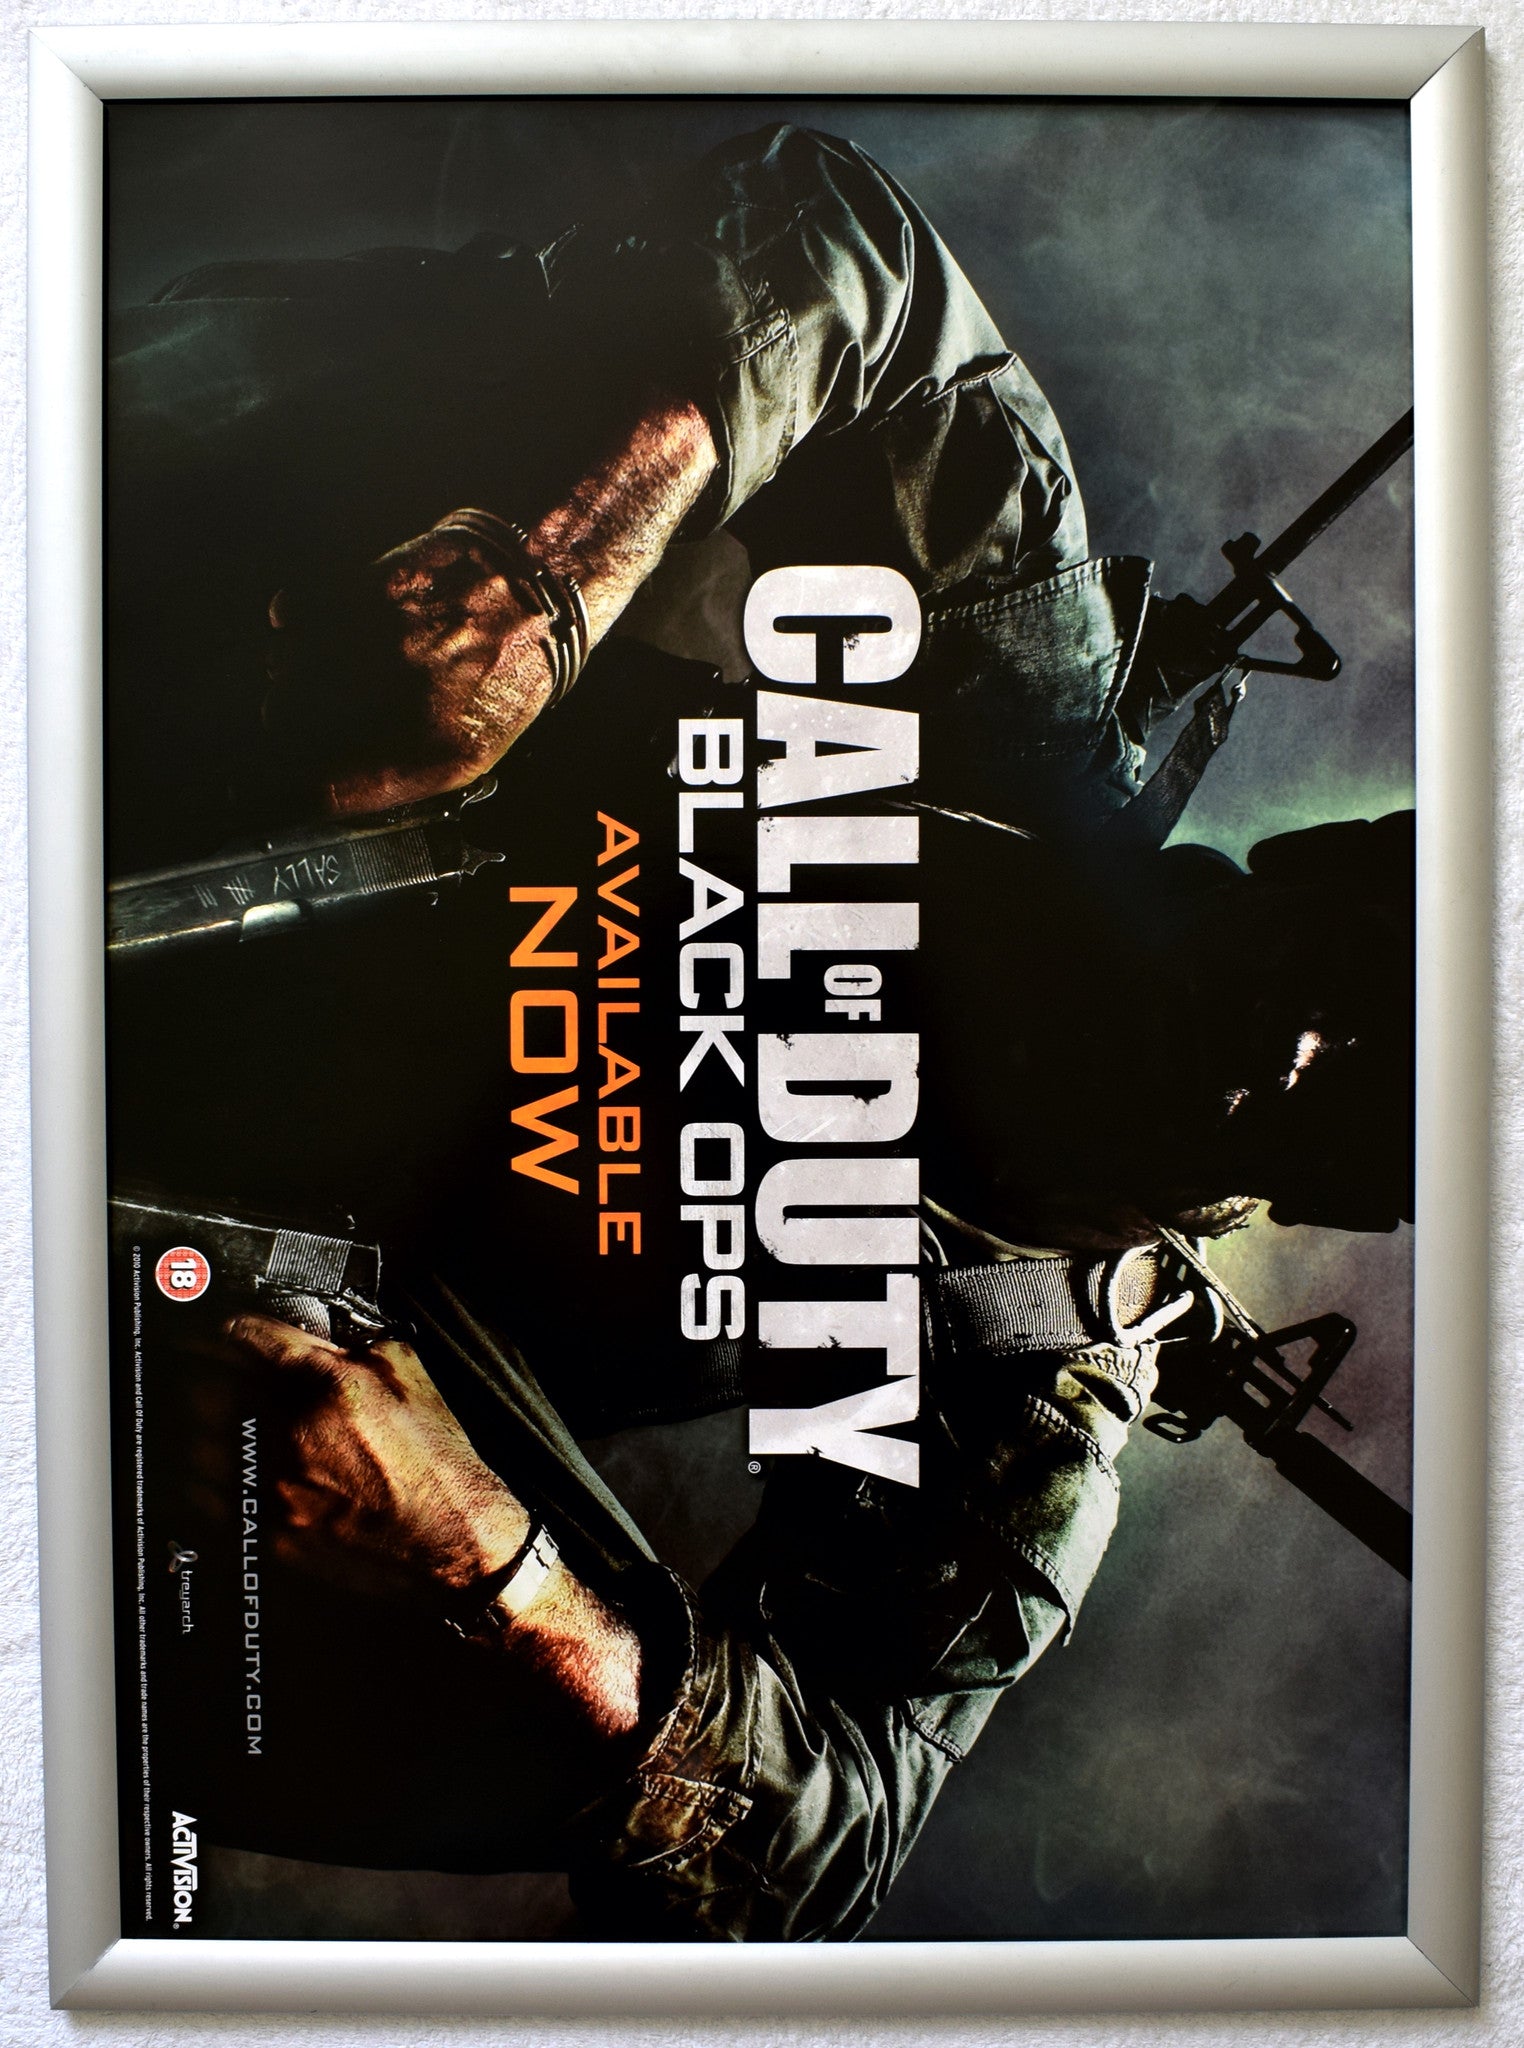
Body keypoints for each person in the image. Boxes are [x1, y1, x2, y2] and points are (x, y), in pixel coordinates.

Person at [110, 126, 1413, 1939]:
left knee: (590, 1703)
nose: (1283, 1054)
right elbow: (854, 250)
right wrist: (542, 581)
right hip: (180, 762)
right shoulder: (1032, 743)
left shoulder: (1023, 1395)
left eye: (1343, 1099)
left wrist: (489, 1565)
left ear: (1337, 1182)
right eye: (1323, 975)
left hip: (184, 1262)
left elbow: (827, 1854)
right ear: (1307, 869)